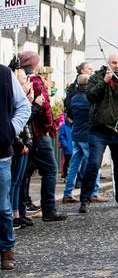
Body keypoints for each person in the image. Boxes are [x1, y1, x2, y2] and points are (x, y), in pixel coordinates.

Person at [18, 51, 67, 222]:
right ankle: (49, 210)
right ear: (35, 63)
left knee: (24, 173)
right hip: (39, 133)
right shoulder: (35, 80)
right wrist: (49, 126)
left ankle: (21, 212)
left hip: (27, 134)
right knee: (51, 170)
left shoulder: (20, 79)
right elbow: (44, 106)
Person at [79, 54, 118, 213]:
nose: (117, 66)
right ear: (108, 64)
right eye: (114, 63)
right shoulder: (96, 77)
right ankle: (85, 198)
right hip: (99, 130)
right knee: (94, 163)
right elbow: (90, 96)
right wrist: (104, 82)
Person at [0, 61, 31, 270]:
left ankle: (6, 249)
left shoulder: (4, 74)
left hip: (0, 153)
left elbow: (24, 105)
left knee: (2, 206)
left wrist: (10, 130)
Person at [63, 74, 105, 204]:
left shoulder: (74, 98)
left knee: (74, 166)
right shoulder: (89, 99)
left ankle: (68, 193)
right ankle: (94, 192)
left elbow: (69, 114)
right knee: (95, 164)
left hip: (76, 135)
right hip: (87, 136)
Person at [9, 65, 34, 230]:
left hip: (24, 143)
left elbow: (27, 124)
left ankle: (17, 213)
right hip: (16, 145)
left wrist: (28, 143)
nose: (27, 81)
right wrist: (20, 144)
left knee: (19, 181)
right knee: (13, 182)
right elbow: (11, 122)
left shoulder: (23, 100)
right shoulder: (12, 98)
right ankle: (11, 215)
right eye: (23, 79)